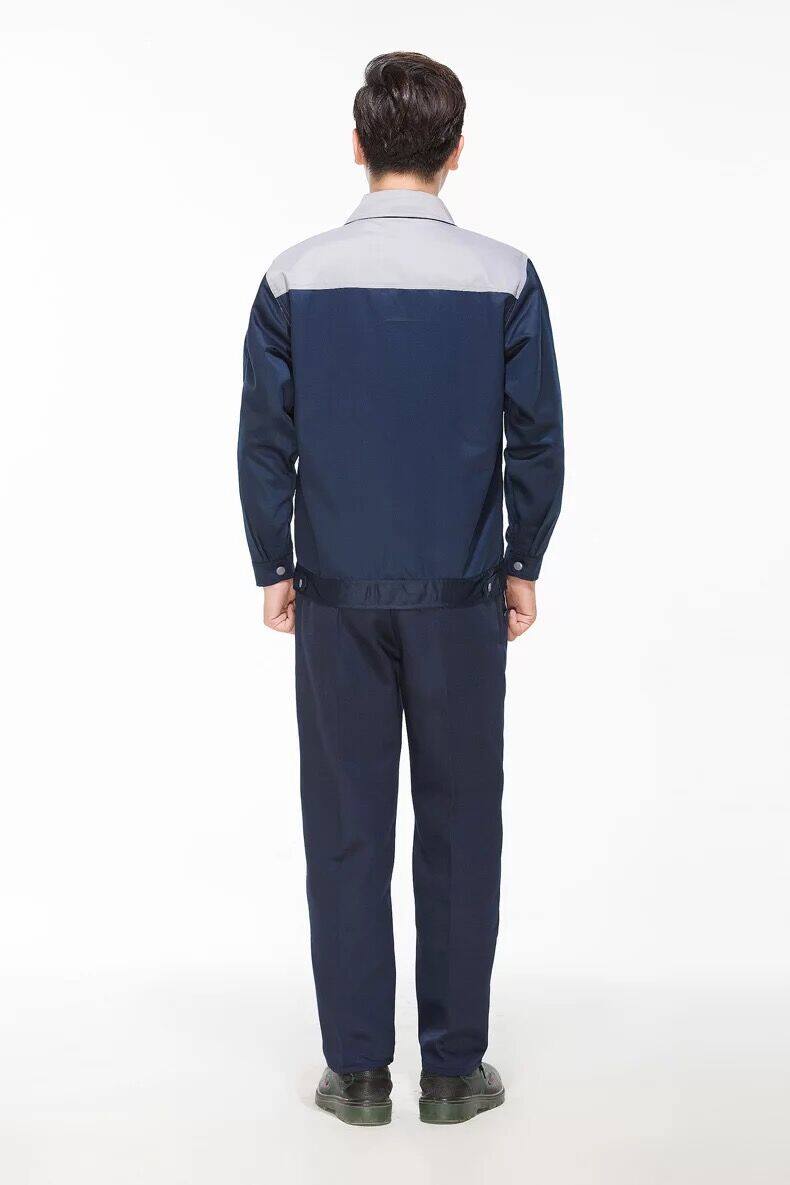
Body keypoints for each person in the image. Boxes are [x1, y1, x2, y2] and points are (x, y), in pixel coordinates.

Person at [237, 50, 564, 1126]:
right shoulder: (505, 276)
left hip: (335, 593)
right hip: (463, 592)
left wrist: (275, 565)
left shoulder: (293, 276)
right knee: (461, 828)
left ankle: (360, 1074)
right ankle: (456, 1072)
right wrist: (523, 560)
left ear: (357, 144)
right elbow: (537, 437)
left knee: (346, 827)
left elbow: (265, 438)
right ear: (456, 151)